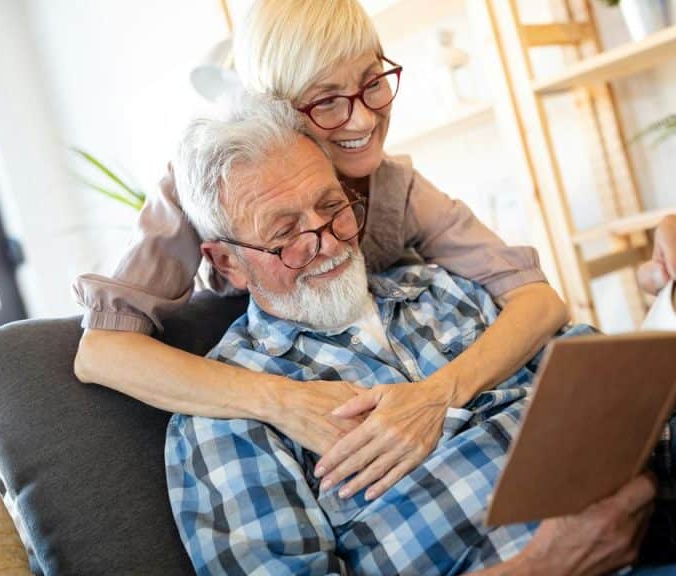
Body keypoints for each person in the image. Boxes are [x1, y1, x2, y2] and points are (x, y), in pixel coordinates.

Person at [165, 95, 676, 576]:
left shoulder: (437, 286)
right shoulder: (226, 419)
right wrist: (546, 566)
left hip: (674, 502)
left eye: (333, 207)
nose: (330, 241)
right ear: (226, 265)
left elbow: (620, 383)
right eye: (286, 233)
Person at [72, 0, 571, 499]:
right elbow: (103, 352)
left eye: (373, 83)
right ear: (273, 108)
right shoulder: (206, 186)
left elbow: (538, 299)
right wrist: (283, 402)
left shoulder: (396, 186)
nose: (362, 120)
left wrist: (436, 396)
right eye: (326, 101)